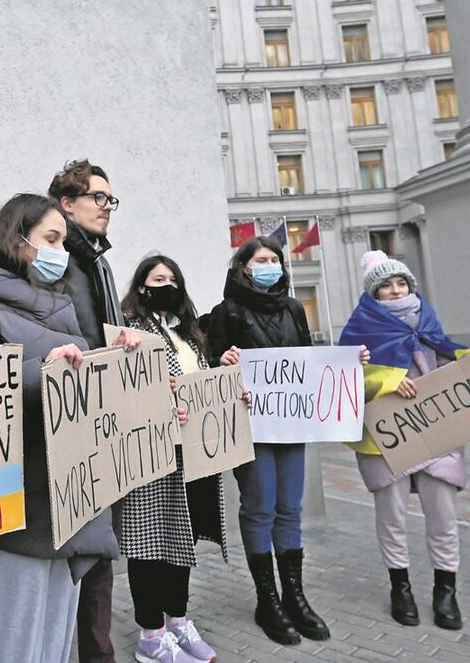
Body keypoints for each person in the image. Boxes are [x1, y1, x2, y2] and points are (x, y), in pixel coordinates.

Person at [0, 194, 121, 663]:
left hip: (71, 511)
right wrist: (42, 376)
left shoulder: (62, 311)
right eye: (51, 239)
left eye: (64, 240)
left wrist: (127, 367)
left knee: (56, 648)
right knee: (15, 651)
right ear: (16, 242)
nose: (61, 252)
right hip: (11, 516)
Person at [206, 236, 368, 646]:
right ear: (243, 267)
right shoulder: (226, 311)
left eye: (274, 259)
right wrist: (222, 361)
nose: (269, 265)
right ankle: (268, 599)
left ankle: (295, 595)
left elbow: (308, 363)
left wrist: (349, 362)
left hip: (292, 425)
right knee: (260, 506)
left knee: (289, 508)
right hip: (252, 427)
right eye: (261, 259)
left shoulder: (294, 308)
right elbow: (211, 368)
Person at [339, 250, 470, 631]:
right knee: (392, 516)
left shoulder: (428, 322)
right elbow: (341, 381)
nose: (396, 290)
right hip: (386, 438)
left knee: (443, 514)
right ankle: (400, 587)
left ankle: (445, 590)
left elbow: (453, 357)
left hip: (437, 432)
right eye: (386, 286)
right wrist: (384, 380)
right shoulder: (357, 330)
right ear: (374, 293)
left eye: (401, 283)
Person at [119, 255, 228, 663]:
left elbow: (199, 383)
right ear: (142, 287)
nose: (167, 284)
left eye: (173, 278)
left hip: (191, 451)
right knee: (148, 540)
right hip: (150, 452)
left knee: (180, 538)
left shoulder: (190, 332)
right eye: (157, 278)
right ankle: (151, 634)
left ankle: (179, 620)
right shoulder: (131, 329)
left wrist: (225, 378)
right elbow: (125, 388)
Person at [47, 159, 126, 662]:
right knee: (80, 555)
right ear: (66, 204)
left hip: (107, 420)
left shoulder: (99, 261)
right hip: (75, 422)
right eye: (99, 197)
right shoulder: (57, 260)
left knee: (101, 554)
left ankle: (98, 653)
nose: (107, 208)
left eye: (110, 200)